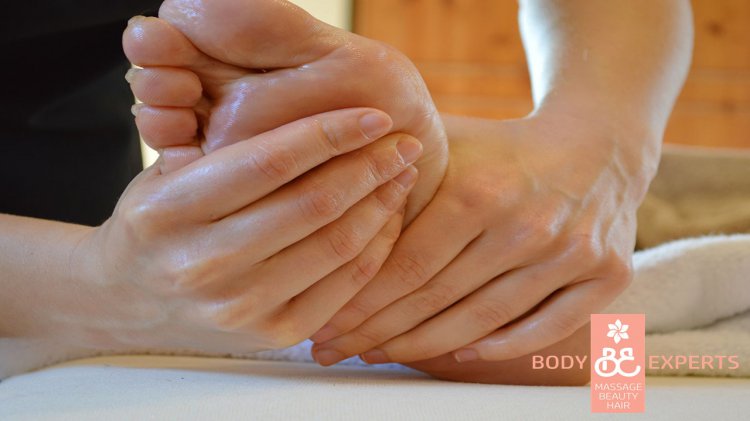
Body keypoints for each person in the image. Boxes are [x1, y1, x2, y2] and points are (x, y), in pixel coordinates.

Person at [0, 0, 693, 385]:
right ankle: (373, 284)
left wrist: (596, 143)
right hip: (62, 249)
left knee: (578, 320)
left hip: (94, 201)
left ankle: (382, 269)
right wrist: (95, 283)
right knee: (614, 349)